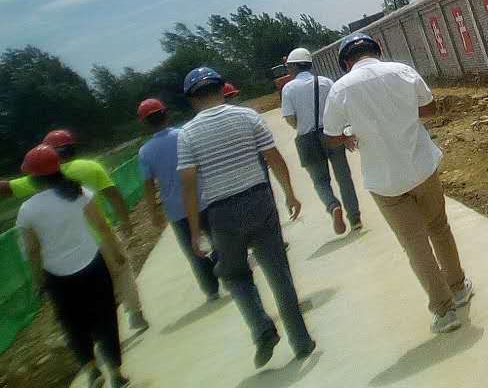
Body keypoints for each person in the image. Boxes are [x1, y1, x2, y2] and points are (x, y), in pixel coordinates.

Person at [323, 32, 473, 334]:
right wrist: (402, 116)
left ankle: (444, 311)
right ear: (377, 50)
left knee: (414, 244)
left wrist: (352, 134)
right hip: (422, 167)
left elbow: (332, 136)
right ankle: (458, 288)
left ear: (345, 63)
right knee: (438, 228)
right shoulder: (402, 71)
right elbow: (429, 109)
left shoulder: (340, 89)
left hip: (385, 180)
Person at [177, 66, 315, 368]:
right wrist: (290, 194)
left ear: (192, 99)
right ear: (221, 89)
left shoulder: (187, 134)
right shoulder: (247, 116)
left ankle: (261, 329)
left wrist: (195, 231)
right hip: (258, 200)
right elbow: (273, 157)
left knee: (234, 274)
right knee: (278, 271)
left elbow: (188, 184)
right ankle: (301, 341)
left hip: (221, 212)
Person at [0, 130, 148, 331]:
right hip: (104, 234)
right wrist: (125, 222)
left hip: (75, 245)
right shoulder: (91, 167)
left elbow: (6, 188)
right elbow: (113, 195)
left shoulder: (42, 180)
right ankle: (135, 314)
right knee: (122, 273)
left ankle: (101, 330)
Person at [16, 144, 132, 388]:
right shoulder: (79, 193)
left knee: (73, 323)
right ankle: (116, 373)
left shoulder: (27, 210)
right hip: (92, 265)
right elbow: (102, 227)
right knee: (105, 317)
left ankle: (91, 370)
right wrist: (115, 254)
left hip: (57, 275)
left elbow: (33, 250)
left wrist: (39, 281)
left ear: (33, 178)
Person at [137, 99, 219, 302]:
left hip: (176, 210)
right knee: (219, 240)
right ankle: (229, 272)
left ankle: (211, 290)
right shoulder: (184, 135)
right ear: (166, 114)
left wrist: (153, 213)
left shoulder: (145, 152)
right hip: (203, 198)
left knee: (194, 252)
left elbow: (148, 185)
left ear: (144, 123)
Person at [281, 47, 362, 235]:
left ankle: (333, 206)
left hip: (307, 139)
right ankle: (355, 218)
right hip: (331, 134)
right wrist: (346, 134)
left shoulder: (289, 89)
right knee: (344, 177)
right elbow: (340, 110)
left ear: (294, 67)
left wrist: (302, 125)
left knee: (320, 181)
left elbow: (290, 118)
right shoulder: (326, 82)